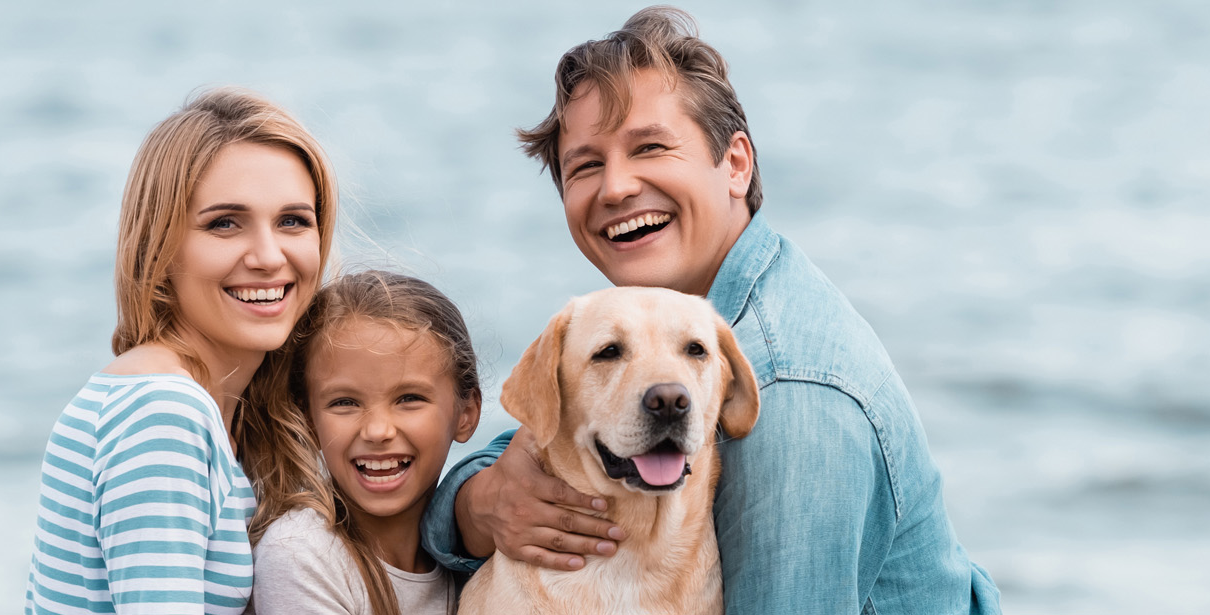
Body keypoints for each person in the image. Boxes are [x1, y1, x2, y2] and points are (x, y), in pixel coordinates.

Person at [419, 6, 1002, 614]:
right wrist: (476, 498)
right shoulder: (676, 325)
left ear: (736, 164)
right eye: (586, 165)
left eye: (650, 147)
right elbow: (549, 432)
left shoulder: (794, 402)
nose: (616, 187)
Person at [27, 87, 338, 615]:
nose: (268, 256)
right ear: (160, 247)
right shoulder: (164, 415)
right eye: (224, 223)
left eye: (293, 221)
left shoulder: (224, 408)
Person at [252, 271, 481, 615]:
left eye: (409, 398)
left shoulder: (478, 554)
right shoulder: (301, 553)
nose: (377, 431)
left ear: (466, 413)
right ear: (309, 420)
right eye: (344, 402)